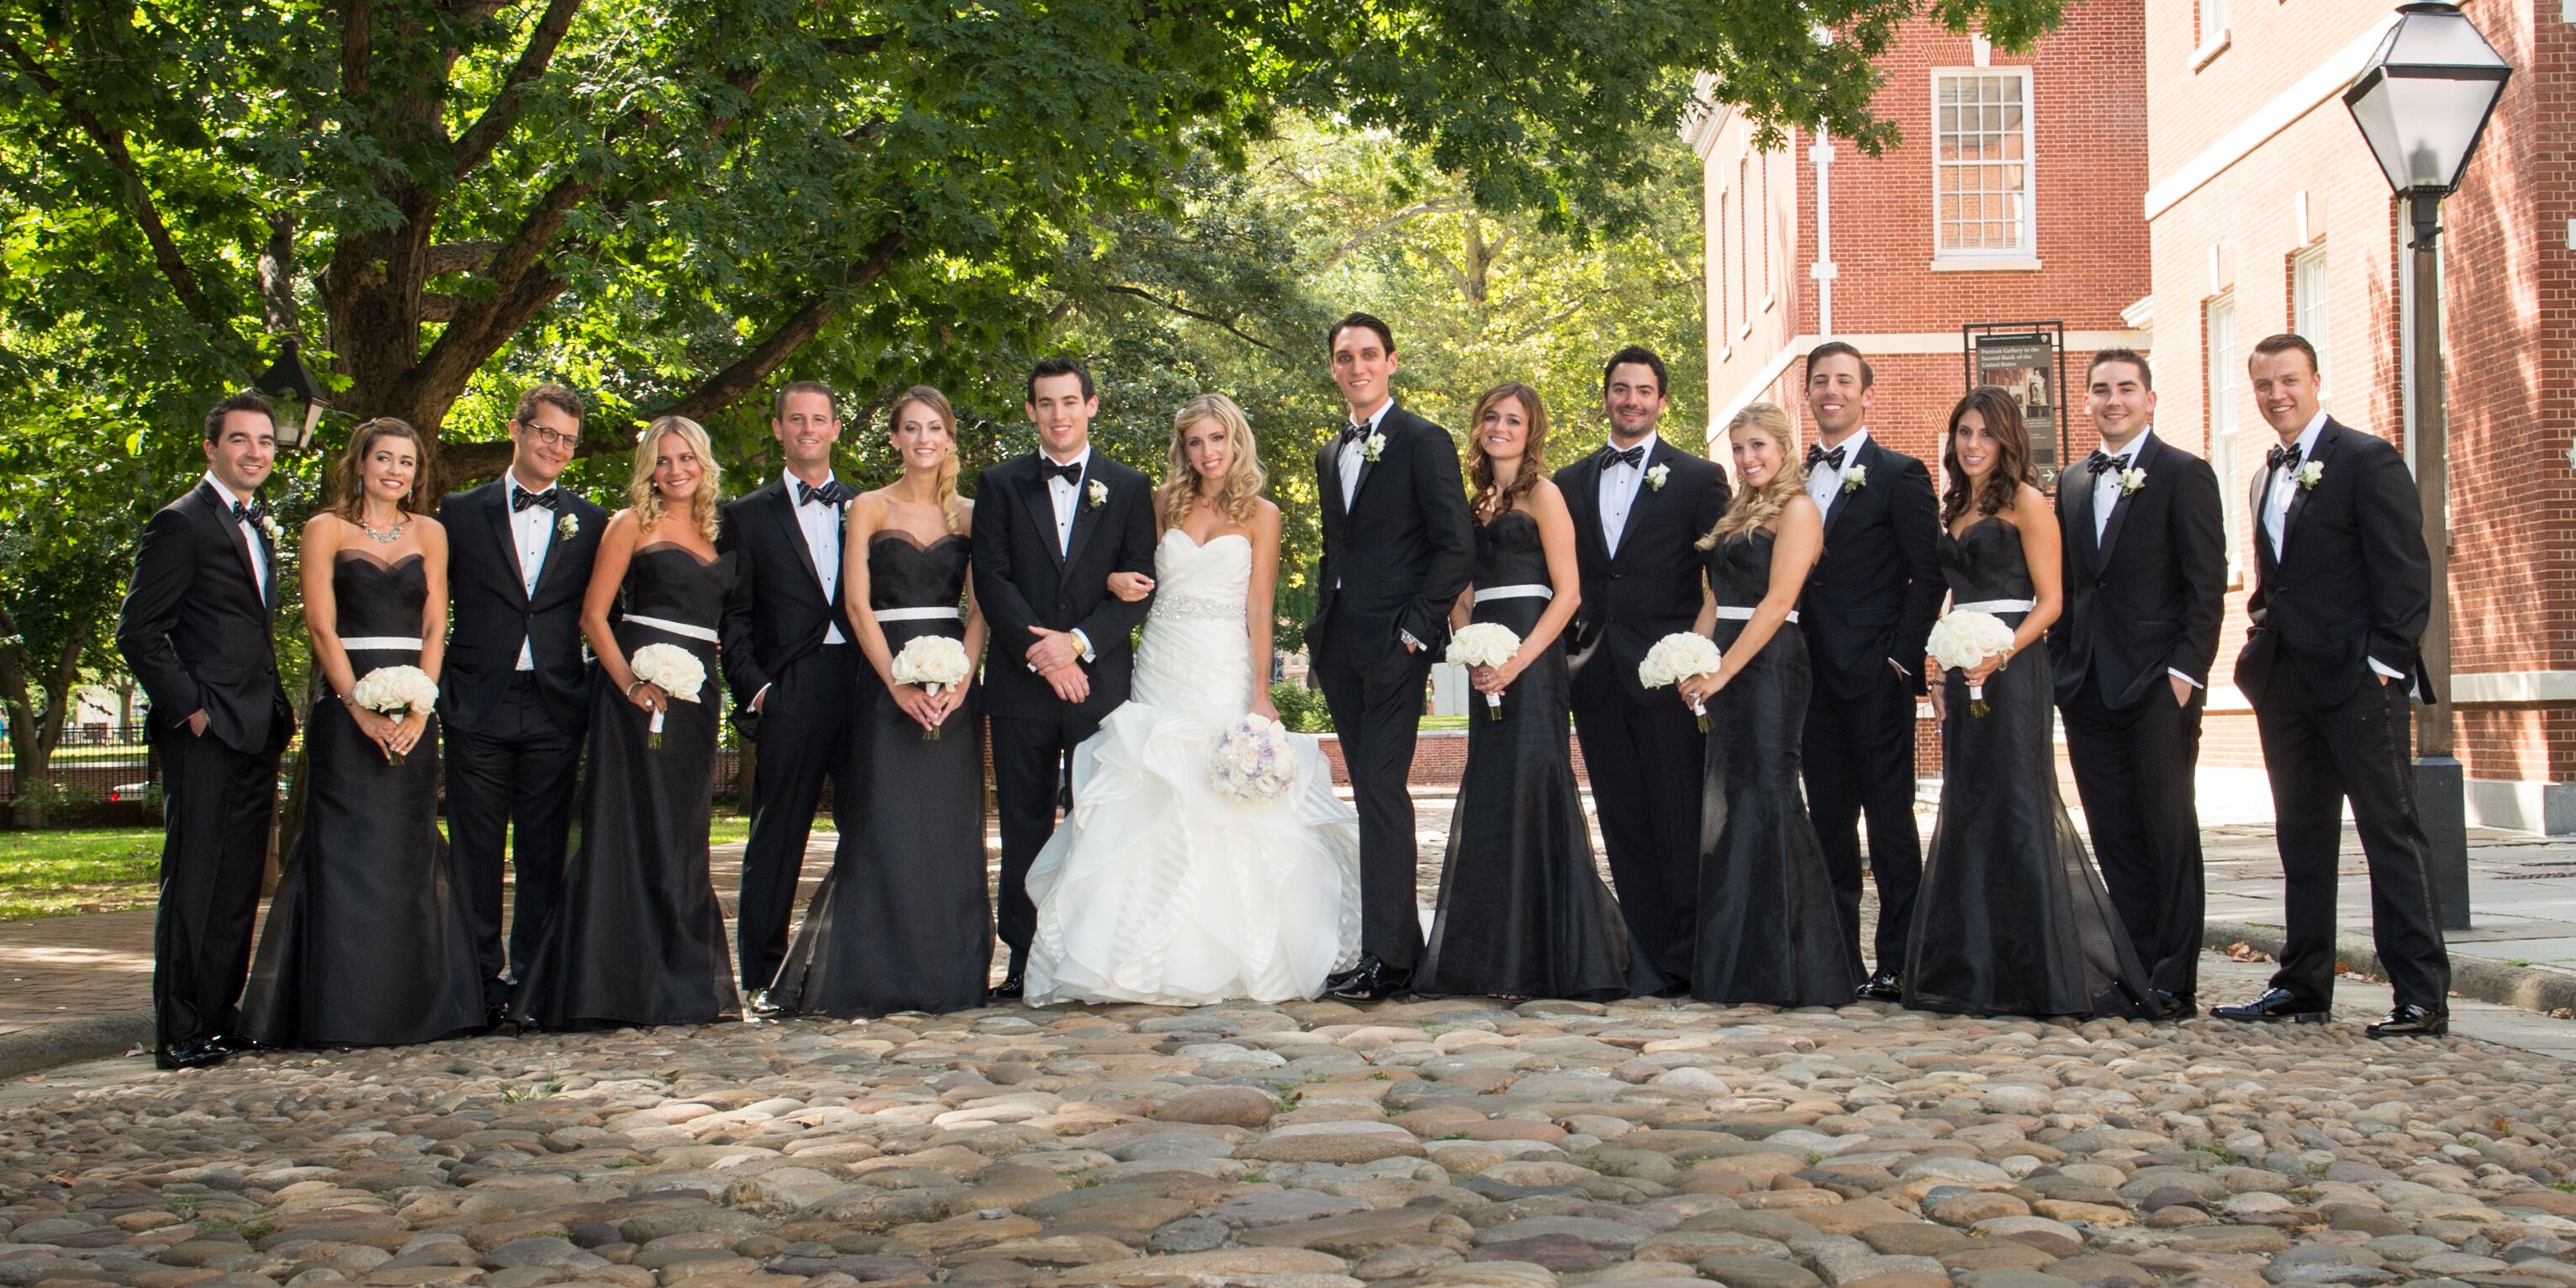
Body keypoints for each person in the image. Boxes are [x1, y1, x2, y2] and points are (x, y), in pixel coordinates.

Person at [1022, 393, 1362, 1005]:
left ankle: (1231, 956)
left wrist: (1260, 692)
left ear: (1237, 442)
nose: (1207, 453)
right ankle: (1126, 955)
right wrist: (1109, 580)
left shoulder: (1262, 514)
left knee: (1224, 800)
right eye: (1195, 442)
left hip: (1222, 665)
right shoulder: (1161, 504)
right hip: (1161, 664)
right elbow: (1125, 574)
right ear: (1183, 449)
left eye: (1217, 440)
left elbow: (1259, 607)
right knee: (1150, 791)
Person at [2214, 334, 2449, 1038]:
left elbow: (2406, 575)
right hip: (2286, 685)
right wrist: (2259, 648)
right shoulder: (2263, 477)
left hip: (2356, 685)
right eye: (2263, 385)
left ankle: (2420, 995)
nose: (2275, 395)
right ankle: (2303, 984)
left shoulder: (2367, 460)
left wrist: (2382, 667)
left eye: (2288, 380)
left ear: (2316, 380)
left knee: (2389, 834)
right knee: (2302, 836)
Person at [1905, 387, 2157, 1021]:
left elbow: (2051, 601)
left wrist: (2002, 654)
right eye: (1963, 432)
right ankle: (1975, 968)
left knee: (2016, 801)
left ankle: (2037, 969)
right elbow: (1955, 598)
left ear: (2008, 438)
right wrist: (1942, 670)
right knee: (1971, 805)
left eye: (1985, 434)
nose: (1972, 445)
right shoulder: (1955, 506)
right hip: (1964, 671)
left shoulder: (2027, 501)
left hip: (2013, 670)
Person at [240, 418, 484, 1048]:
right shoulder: (325, 529)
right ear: (360, 463)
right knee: (347, 850)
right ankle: (341, 1008)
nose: (395, 471)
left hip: (413, 708)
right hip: (347, 707)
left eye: (407, 461)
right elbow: (322, 627)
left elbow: (435, 627)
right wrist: (356, 707)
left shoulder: (430, 533)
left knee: (406, 850)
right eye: (384, 458)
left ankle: (412, 1004)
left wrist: (419, 709)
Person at [1415, 383, 1645, 1000]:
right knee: (1493, 793)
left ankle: (1542, 957)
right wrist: (1469, 649)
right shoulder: (1470, 504)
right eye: (1491, 416)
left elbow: (1569, 593)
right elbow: (1460, 594)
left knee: (1532, 785)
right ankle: (1491, 956)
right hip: (1486, 658)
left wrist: (1515, 662)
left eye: (1513, 420)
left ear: (1530, 430)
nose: (1500, 427)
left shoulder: (1545, 495)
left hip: (1533, 660)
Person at [510, 417, 741, 1030]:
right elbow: (593, 616)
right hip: (638, 694)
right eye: (662, 461)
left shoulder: (717, 529)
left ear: (703, 461)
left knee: (683, 832)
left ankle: (678, 979)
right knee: (631, 826)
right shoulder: (629, 524)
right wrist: (632, 684)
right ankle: (611, 984)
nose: (675, 471)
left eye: (685, 458)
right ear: (648, 468)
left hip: (697, 695)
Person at [769, 387, 992, 1016]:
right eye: (911, 429)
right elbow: (857, 606)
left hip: (952, 683)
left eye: (935, 428)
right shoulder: (868, 506)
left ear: (950, 438)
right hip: (883, 680)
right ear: (893, 438)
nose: (924, 439)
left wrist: (961, 680)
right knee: (882, 821)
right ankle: (873, 973)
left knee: (945, 828)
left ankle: (946, 977)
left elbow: (980, 609)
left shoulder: (971, 515)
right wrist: (896, 683)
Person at [115, 392, 297, 1069]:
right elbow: (138, 631)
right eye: (241, 440)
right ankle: (182, 1030)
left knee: (237, 887)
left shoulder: (257, 524)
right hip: (205, 733)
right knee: (195, 884)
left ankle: (219, 1020)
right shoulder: (180, 524)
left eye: (266, 442)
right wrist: (192, 709)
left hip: (256, 731)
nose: (255, 452)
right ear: (211, 447)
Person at [969, 356, 1159, 999]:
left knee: (1094, 821)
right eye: (1045, 403)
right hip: (1021, 685)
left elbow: (1139, 587)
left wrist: (1077, 647)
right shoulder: (998, 485)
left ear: (1092, 405)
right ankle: (1023, 961)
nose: (1058, 414)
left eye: (1069, 402)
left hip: (1098, 684)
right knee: (1022, 823)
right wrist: (1042, 656)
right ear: (1030, 411)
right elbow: (992, 580)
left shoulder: (1129, 487)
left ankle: (1087, 956)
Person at [2049, 351, 2226, 1020]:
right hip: (2088, 686)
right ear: (2087, 401)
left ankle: (2175, 980)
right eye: (2101, 390)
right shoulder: (2069, 481)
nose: (2113, 400)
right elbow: (2068, 585)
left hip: (2158, 682)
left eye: (2126, 389)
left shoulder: (2184, 473)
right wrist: (2067, 666)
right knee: (2114, 831)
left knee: (2168, 830)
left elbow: (2206, 582)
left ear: (2150, 398)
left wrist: (2186, 673)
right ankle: (2134, 969)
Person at [1310, 313, 1475, 1002]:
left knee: (1380, 789)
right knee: (1368, 793)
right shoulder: (1328, 454)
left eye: (1369, 355)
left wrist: (1416, 630)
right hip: (1340, 644)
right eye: (1345, 357)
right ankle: (1386, 945)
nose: (1358, 367)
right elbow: (1340, 547)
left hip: (1396, 647)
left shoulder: (1423, 441)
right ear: (1333, 368)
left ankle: (1392, 959)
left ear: (1392, 362)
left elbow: (1457, 545)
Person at [1555, 346, 1729, 993]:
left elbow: (1724, 578)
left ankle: (1689, 956)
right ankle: (1648, 959)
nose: (1631, 400)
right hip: (1595, 676)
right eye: (1620, 389)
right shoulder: (1569, 483)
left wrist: (1696, 657)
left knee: (1678, 818)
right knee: (1622, 820)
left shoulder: (1698, 477)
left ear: (1661, 400)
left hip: (1667, 678)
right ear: (1606, 396)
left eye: (1644, 390)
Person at [438, 384, 609, 1026]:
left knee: (543, 852)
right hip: (476, 700)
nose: (556, 447)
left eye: (567, 439)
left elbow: (605, 612)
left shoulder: (591, 522)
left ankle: (533, 987)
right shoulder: (458, 512)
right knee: (476, 851)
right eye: (546, 433)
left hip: (555, 703)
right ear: (517, 430)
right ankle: (478, 986)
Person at [1678, 404, 1859, 1007]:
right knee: (1729, 798)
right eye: (1739, 449)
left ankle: (1794, 964)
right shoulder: (1737, 510)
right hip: (1725, 661)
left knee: (1768, 793)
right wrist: (1694, 659)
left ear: (1783, 446)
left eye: (1758, 446)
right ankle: (1738, 959)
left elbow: (1779, 602)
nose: (1748, 458)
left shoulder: (1799, 510)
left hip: (1772, 663)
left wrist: (1726, 670)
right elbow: (1715, 598)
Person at [1794, 341, 1942, 1000]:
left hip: (1875, 678)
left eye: (1844, 380)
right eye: (1820, 380)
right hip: (1808, 680)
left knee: (1889, 825)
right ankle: (1837, 960)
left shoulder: (1899, 474)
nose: (1832, 390)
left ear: (1866, 394)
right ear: (1808, 394)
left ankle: (1898, 961)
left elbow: (1927, 572)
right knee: (1826, 825)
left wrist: (1899, 659)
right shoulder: (1790, 479)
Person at [718, 382, 863, 1015]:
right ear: (778, 429)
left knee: (867, 830)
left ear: (836, 429)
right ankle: (763, 976)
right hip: (790, 688)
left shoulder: (868, 505)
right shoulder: (746, 515)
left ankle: (855, 965)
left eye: (819, 419)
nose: (808, 428)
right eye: (795, 419)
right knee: (777, 835)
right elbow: (733, 614)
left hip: (863, 683)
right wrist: (758, 690)